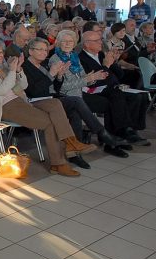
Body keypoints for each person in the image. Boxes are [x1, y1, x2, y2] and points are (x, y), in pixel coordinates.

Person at [0, 40, 96, 176]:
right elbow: (2, 90)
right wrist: (11, 71)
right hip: (5, 107)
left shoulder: (3, 68)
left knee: (55, 103)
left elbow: (24, 86)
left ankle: (70, 142)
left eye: (1, 52)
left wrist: (19, 70)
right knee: (50, 123)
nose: (1, 55)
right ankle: (59, 163)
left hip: (22, 101)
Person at [23, 36, 125, 168]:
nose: (44, 53)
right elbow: (34, 91)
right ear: (30, 51)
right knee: (76, 101)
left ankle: (75, 153)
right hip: (37, 103)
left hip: (52, 99)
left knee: (75, 112)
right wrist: (52, 74)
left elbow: (55, 87)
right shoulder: (26, 66)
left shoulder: (43, 64)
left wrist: (59, 76)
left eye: (45, 50)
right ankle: (101, 133)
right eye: (40, 50)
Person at [77, 30, 150, 146]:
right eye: (97, 40)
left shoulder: (101, 55)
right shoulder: (81, 59)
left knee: (139, 96)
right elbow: (94, 81)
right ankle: (123, 130)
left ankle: (132, 130)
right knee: (116, 96)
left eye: (100, 39)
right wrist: (106, 66)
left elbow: (120, 75)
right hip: (96, 91)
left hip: (112, 88)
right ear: (86, 44)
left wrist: (114, 61)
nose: (101, 42)